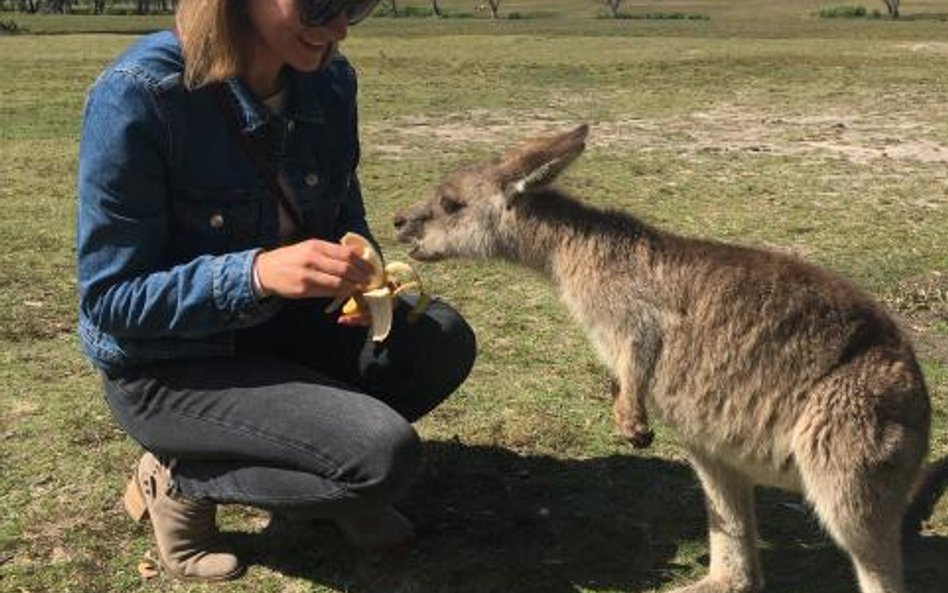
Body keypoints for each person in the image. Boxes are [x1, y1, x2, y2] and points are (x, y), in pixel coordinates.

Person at [75, 0, 476, 582]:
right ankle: (180, 480)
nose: (339, 28)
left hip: (281, 329)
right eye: (319, 5)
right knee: (381, 457)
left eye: (357, 4)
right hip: (168, 363)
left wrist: (367, 281)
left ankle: (329, 477)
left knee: (440, 341)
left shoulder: (330, 81)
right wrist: (257, 273)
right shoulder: (140, 95)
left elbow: (344, 216)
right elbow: (111, 299)